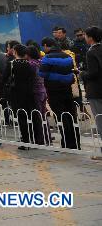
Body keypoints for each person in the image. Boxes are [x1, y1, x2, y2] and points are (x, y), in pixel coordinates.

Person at [40, 37, 80, 150]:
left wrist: (52, 76)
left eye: (44, 46)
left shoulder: (47, 58)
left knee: (61, 117)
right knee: (72, 116)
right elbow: (72, 70)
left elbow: (42, 73)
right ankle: (76, 143)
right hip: (67, 90)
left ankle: (66, 143)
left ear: (47, 45)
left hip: (54, 91)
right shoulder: (67, 56)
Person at [6, 44, 37, 149]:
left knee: (20, 117)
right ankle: (32, 138)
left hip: (16, 93)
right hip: (29, 93)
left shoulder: (11, 64)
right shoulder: (29, 64)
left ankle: (25, 140)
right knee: (29, 116)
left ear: (15, 52)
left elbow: (4, 79)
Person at [79, 26, 102, 159]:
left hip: (96, 91)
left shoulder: (91, 52)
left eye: (86, 35)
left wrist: (82, 74)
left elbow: (93, 73)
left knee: (100, 120)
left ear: (91, 38)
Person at [25, 45, 49, 146]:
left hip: (36, 92)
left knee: (38, 116)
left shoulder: (30, 64)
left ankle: (41, 139)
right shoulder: (40, 62)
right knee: (43, 116)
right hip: (43, 90)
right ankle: (47, 137)